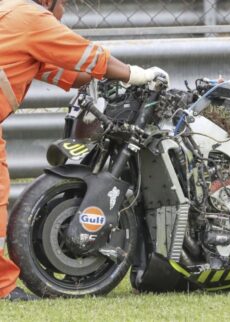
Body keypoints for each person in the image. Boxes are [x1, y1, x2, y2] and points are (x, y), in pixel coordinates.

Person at [0, 0, 168, 301]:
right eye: (63, 2)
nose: (64, 9)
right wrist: (135, 74)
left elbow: (70, 71)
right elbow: (87, 55)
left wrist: (104, 78)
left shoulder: (11, 18)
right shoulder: (30, 17)